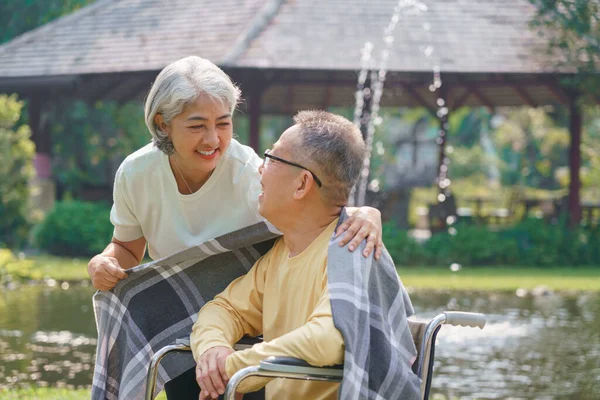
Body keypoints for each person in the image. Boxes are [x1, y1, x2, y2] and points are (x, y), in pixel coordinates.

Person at [86, 56, 383, 399]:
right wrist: (104, 262)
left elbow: (314, 201)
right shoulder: (137, 173)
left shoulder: (250, 175)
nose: (212, 138)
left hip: (252, 338)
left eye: (223, 123)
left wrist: (363, 212)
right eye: (197, 126)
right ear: (163, 124)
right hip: (190, 322)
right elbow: (127, 248)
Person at [191, 110, 367, 400]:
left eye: (272, 158)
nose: (261, 168)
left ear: (302, 184)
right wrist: (212, 349)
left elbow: (327, 340)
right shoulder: (281, 253)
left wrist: (232, 369)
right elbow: (224, 309)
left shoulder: (351, 249)